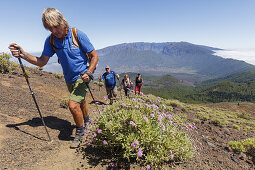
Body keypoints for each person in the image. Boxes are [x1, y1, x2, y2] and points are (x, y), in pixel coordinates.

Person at [8, 8, 99, 149]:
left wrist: (89, 72)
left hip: (83, 76)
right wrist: (23, 55)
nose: (54, 31)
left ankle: (81, 132)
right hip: (69, 78)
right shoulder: (51, 40)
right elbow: (42, 61)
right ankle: (87, 121)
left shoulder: (77, 34)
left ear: (63, 22)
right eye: (50, 28)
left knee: (73, 105)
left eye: (56, 26)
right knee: (80, 102)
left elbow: (94, 55)